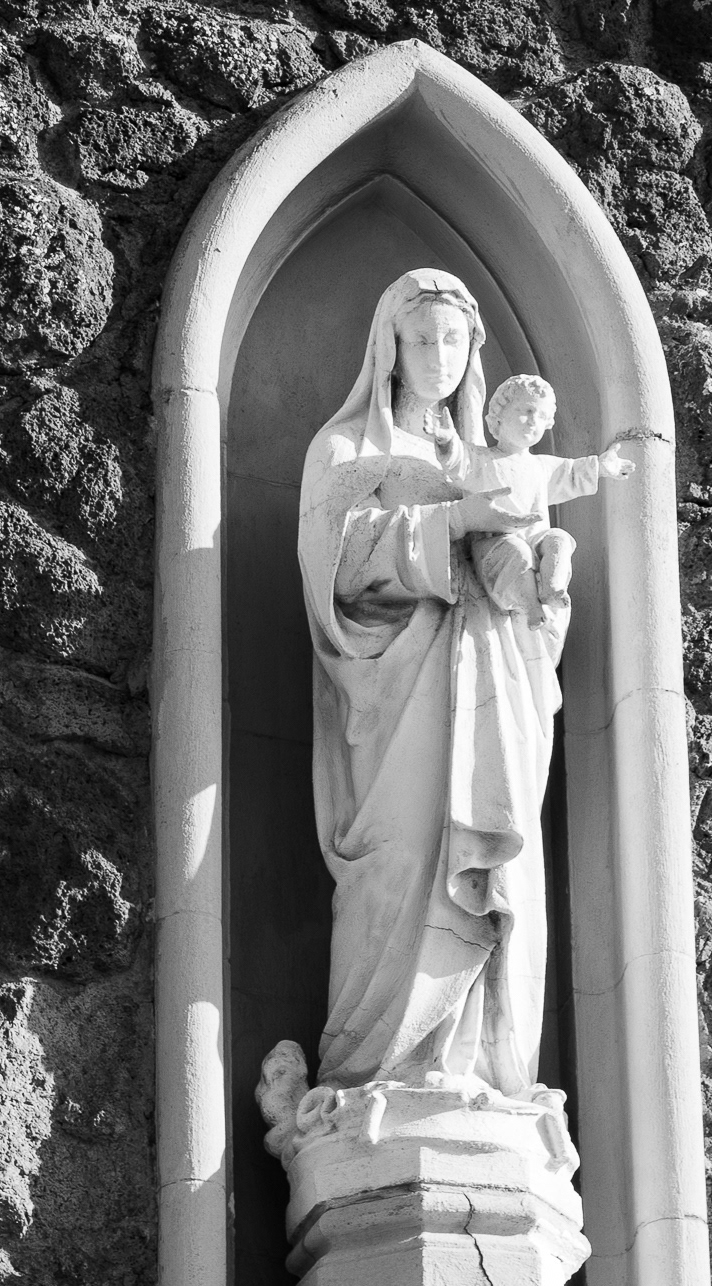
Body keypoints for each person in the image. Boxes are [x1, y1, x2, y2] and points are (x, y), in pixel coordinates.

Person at [298, 268, 607, 1098]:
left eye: (452, 340)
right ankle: (376, 1073)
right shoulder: (348, 451)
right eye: (421, 338)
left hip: (493, 690)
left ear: (473, 351)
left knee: (492, 867)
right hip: (395, 705)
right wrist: (454, 523)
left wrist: (548, 573)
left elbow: (532, 614)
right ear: (389, 350)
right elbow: (334, 570)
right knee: (400, 867)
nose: (437, 355)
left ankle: (479, 1072)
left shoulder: (489, 459)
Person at [463, 374, 634, 633]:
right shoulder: (483, 460)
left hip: (535, 541)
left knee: (559, 539)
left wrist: (601, 466)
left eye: (541, 416)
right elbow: (457, 462)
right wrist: (444, 443)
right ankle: (531, 606)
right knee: (517, 552)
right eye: (526, 411)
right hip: (495, 546)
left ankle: (552, 588)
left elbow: (572, 473)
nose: (533, 421)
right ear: (497, 418)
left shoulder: (541, 466)